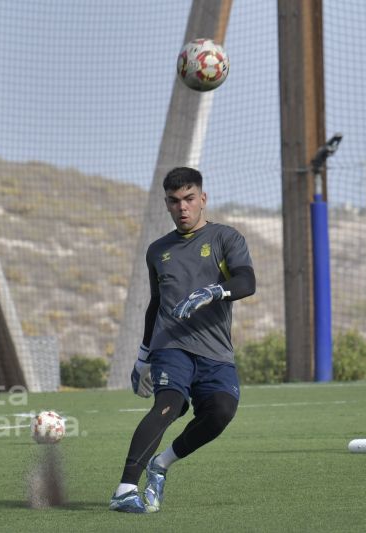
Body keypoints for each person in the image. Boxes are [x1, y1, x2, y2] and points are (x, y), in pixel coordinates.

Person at [109, 166, 256, 514]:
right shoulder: (157, 250)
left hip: (215, 350)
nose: (183, 207)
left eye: (189, 199)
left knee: (221, 412)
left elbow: (247, 281)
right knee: (169, 404)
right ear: (167, 204)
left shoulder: (226, 238)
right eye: (174, 202)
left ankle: (160, 464)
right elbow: (156, 304)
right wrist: (144, 356)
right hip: (170, 345)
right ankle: (125, 489)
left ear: (202, 199)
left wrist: (215, 291)